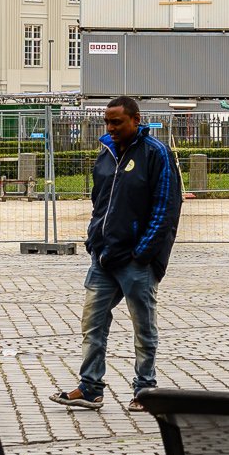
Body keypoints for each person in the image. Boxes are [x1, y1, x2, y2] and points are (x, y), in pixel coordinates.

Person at [51, 95, 180, 413]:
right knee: (92, 323)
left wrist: (144, 252)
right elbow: (100, 202)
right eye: (107, 122)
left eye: (117, 122)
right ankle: (91, 387)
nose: (110, 127)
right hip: (104, 256)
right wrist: (94, 239)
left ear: (136, 120)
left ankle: (145, 389)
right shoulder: (106, 152)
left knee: (143, 327)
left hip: (136, 259)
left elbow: (166, 207)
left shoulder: (156, 153)